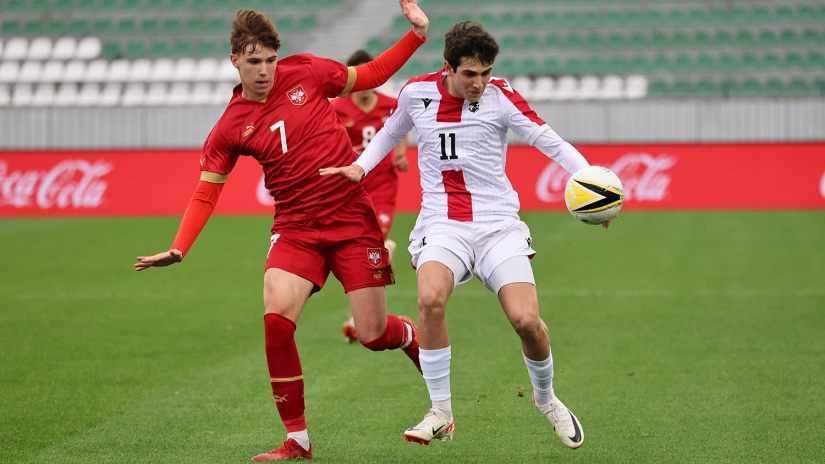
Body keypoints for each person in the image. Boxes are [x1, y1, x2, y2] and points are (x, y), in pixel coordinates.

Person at [134, 3, 429, 461]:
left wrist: (416, 36)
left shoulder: (307, 71)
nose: (265, 70)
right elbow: (207, 193)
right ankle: (298, 439)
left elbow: (368, 75)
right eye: (254, 61)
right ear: (235, 60)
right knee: (276, 319)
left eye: (270, 60)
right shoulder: (229, 128)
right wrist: (179, 247)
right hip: (295, 227)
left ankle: (409, 334)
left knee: (372, 335)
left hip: (351, 219)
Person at [321, 21, 608, 450]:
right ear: (448, 68)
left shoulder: (502, 97)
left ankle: (547, 400)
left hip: (497, 225)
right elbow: (389, 133)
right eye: (470, 74)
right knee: (430, 299)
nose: (479, 83)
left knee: (526, 321)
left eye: (486, 72)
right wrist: (361, 166)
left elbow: (549, 141)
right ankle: (441, 412)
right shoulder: (417, 94)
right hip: (443, 223)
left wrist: (592, 185)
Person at [331, 49, 410, 343]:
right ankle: (364, 314)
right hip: (352, 189)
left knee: (374, 243)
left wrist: (400, 155)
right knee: (362, 247)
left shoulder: (391, 105)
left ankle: (359, 319)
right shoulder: (338, 107)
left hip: (383, 186)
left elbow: (400, 130)